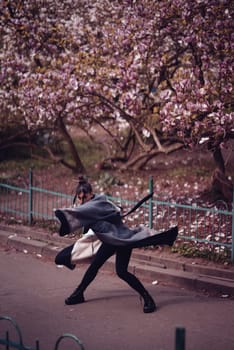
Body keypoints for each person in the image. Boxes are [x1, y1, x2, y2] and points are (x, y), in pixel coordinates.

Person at [55, 176, 178, 313]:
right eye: (80, 198)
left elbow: (83, 213)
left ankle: (148, 299)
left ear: (90, 193)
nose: (83, 201)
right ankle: (78, 294)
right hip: (109, 240)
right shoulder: (93, 204)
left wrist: (62, 215)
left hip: (120, 239)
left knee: (121, 272)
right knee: (95, 266)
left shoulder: (97, 203)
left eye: (85, 197)